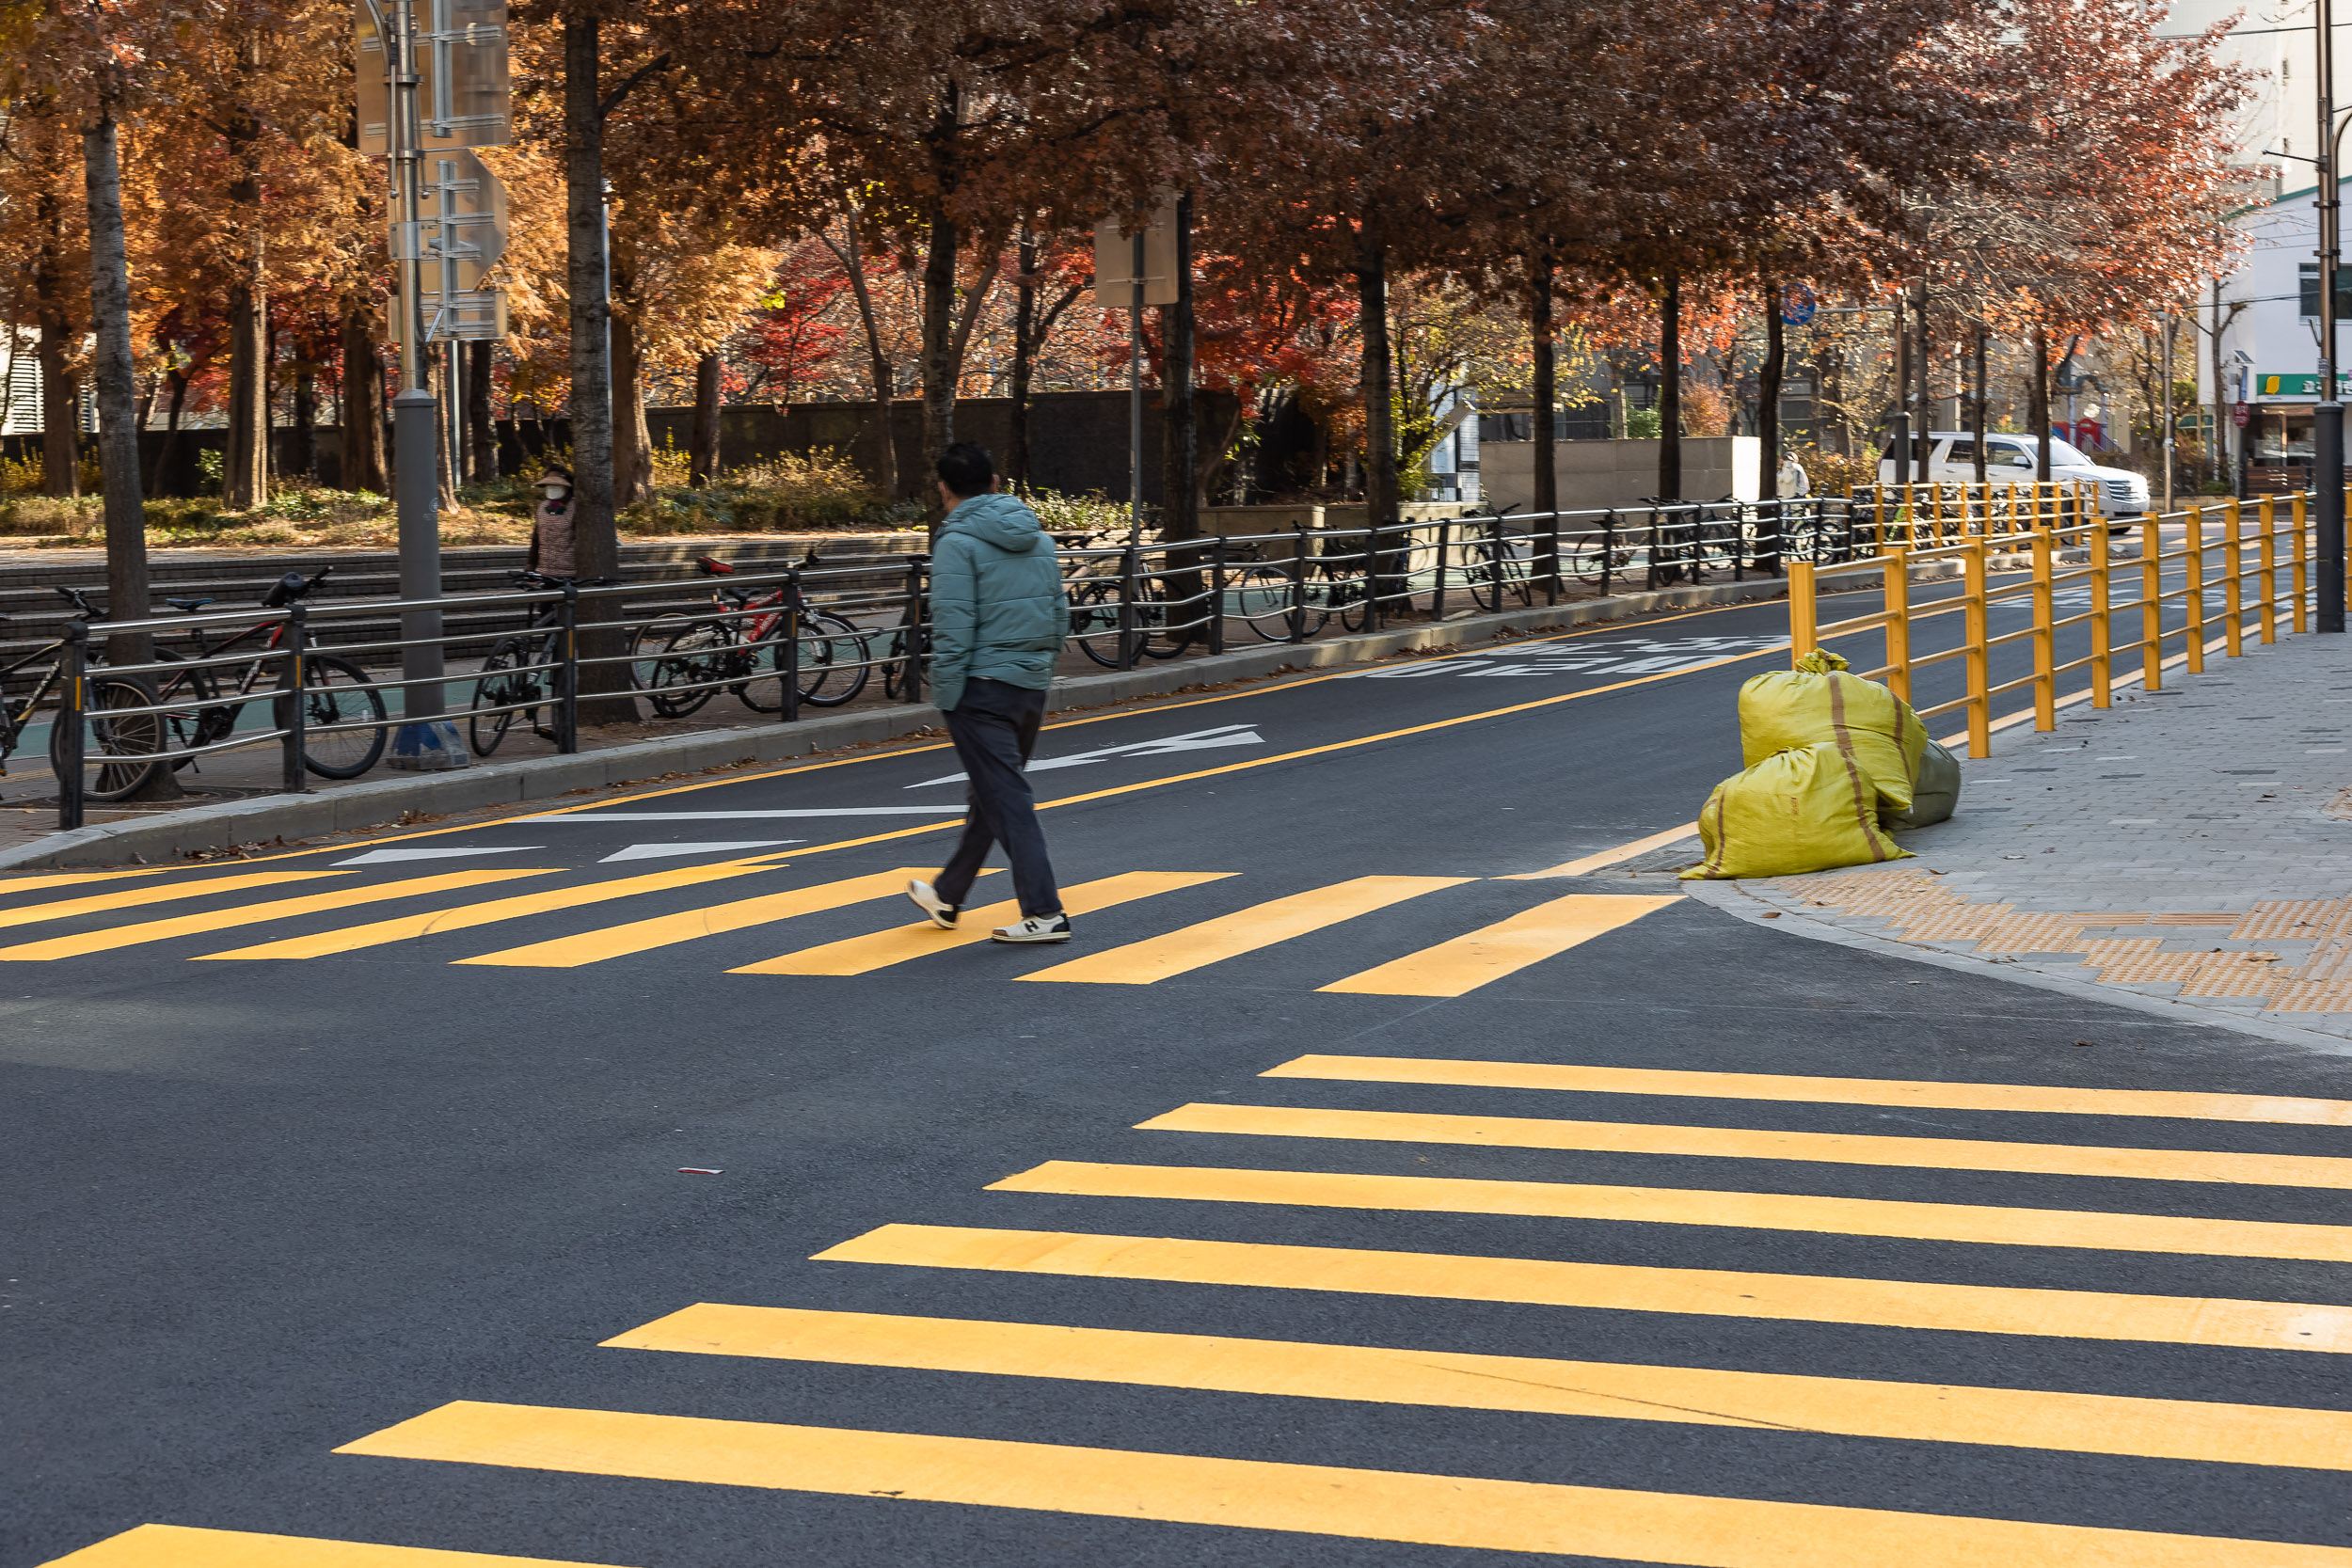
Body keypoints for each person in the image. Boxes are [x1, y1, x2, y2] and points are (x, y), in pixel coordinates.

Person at [904, 443, 1073, 943]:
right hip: (1029, 684)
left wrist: (948, 693)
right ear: (996, 482)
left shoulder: (956, 544)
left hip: (979, 689)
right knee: (992, 794)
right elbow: (1059, 614)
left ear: (943, 489)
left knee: (1007, 799)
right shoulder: (1038, 538)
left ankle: (1045, 913)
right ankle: (948, 896)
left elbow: (954, 628)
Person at [528, 466, 576, 578]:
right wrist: (530, 565)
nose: (552, 489)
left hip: (569, 572)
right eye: (549, 486)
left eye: (556, 486)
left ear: (566, 487)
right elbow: (536, 539)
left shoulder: (576, 508)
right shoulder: (542, 507)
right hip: (543, 570)